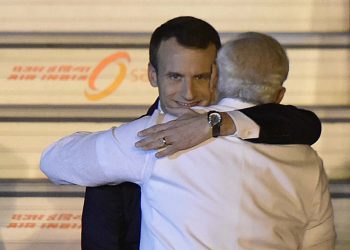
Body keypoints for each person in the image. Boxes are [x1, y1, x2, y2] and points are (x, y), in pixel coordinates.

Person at [42, 17, 322, 250]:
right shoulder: (141, 138)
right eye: (175, 77)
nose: (189, 94)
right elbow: (56, 163)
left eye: (200, 77)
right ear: (153, 75)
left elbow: (307, 124)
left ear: (218, 74)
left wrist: (217, 123)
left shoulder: (254, 126)